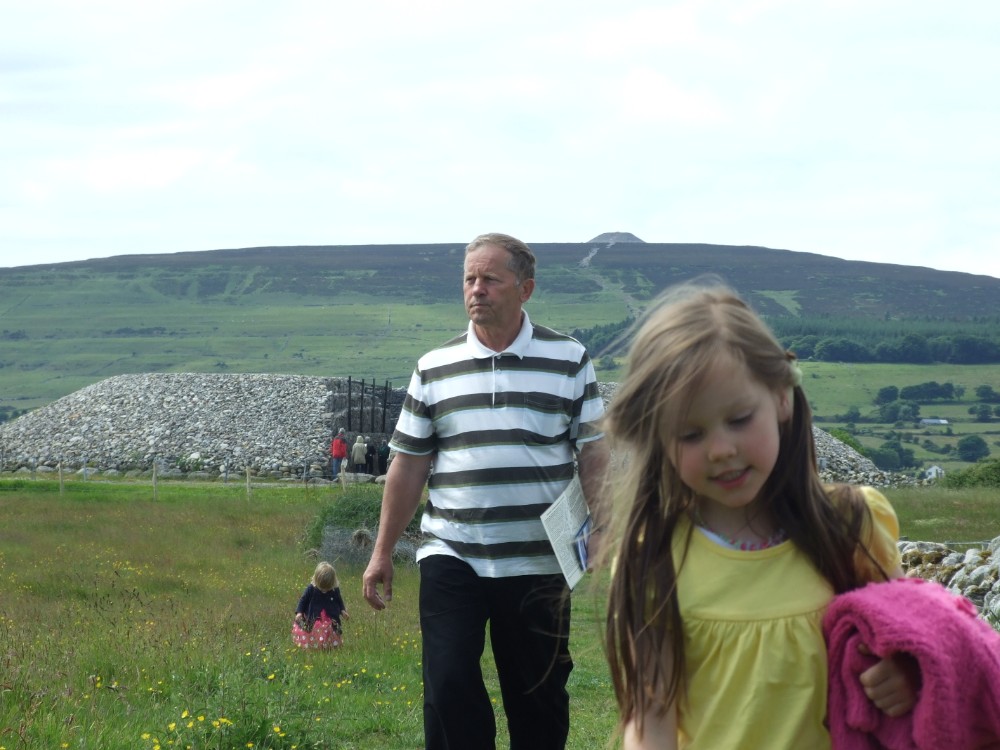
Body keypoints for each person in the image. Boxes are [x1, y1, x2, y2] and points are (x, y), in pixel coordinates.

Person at [601, 281, 919, 750]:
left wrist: (908, 674)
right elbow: (651, 718)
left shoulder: (852, 522)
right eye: (690, 434)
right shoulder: (655, 555)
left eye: (739, 419)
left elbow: (913, 641)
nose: (721, 450)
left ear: (781, 399)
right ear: (659, 440)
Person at [362, 232, 608, 750]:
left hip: (539, 561)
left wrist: (603, 527)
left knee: (537, 696)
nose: (477, 289)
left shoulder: (568, 360)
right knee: (447, 682)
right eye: (470, 279)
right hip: (452, 553)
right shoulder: (433, 368)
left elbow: (595, 455)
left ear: (526, 289)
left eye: (491, 279)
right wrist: (383, 551)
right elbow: (408, 465)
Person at [294, 561, 350, 642]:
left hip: (332, 619)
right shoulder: (311, 589)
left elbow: (339, 601)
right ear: (316, 580)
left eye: (327, 588)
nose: (324, 590)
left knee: (333, 633)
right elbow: (303, 600)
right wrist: (299, 612)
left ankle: (332, 647)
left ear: (333, 582)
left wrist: (342, 611)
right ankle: (315, 646)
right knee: (313, 636)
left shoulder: (335, 590)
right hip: (314, 619)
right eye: (321, 588)